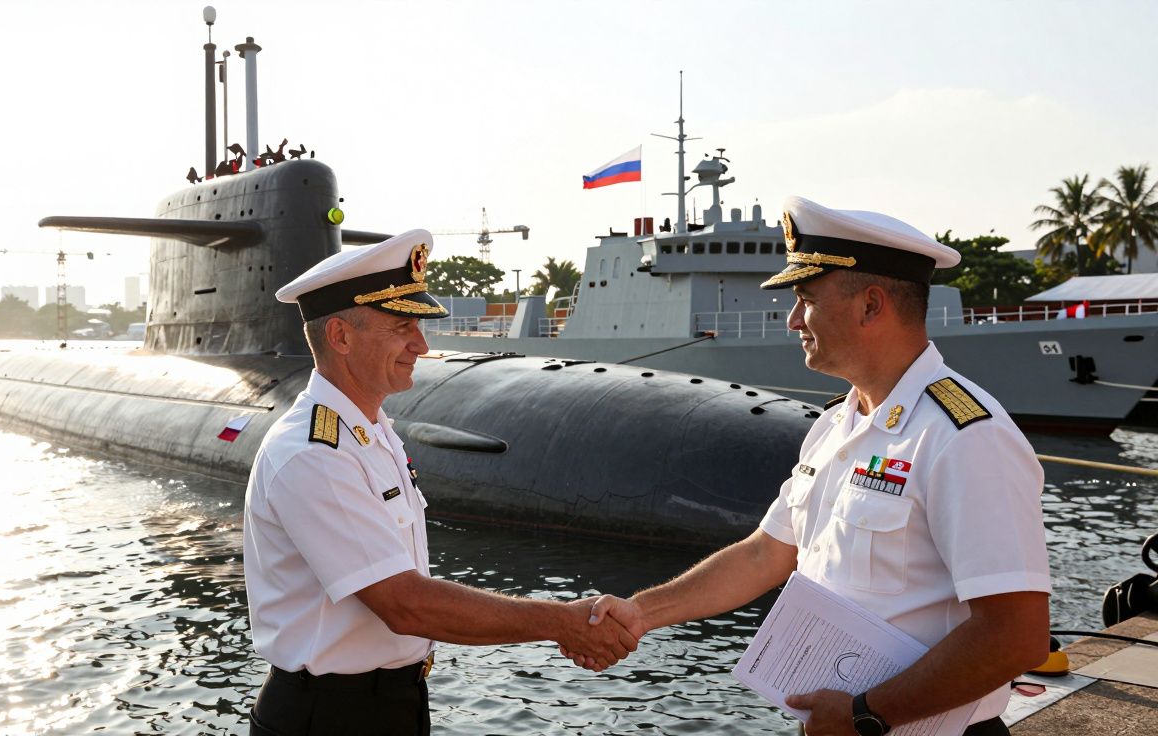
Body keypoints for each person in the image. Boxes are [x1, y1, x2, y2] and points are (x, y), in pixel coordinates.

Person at [568, 197, 1051, 736]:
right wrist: (642, 612)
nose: (794, 319)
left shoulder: (963, 436)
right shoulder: (836, 426)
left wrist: (868, 714)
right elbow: (766, 553)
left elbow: (1016, 634)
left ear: (871, 306)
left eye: (806, 300)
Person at [243, 229, 637, 736]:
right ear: (341, 336)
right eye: (402, 325)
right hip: (327, 718)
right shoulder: (312, 453)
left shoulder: (371, 433)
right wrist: (563, 622)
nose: (422, 345)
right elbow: (404, 604)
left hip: (393, 706)